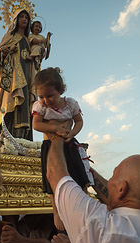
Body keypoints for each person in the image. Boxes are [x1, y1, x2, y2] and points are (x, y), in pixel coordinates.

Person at [32, 67, 90, 231]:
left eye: (50, 95)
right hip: (50, 146)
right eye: (41, 96)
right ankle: (56, 211)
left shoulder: (70, 104)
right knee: (52, 178)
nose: (45, 100)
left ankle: (85, 201)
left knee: (79, 173)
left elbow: (79, 122)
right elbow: (36, 124)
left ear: (61, 91)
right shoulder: (40, 107)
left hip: (69, 143)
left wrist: (71, 133)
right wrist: (55, 128)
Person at [0, 9, 36, 140]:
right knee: (12, 104)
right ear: (15, 20)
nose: (24, 19)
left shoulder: (29, 40)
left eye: (26, 17)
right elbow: (0, 53)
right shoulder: (10, 37)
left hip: (27, 77)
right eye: (21, 17)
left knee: (25, 107)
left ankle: (22, 139)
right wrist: (5, 51)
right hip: (13, 78)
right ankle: (7, 138)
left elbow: (37, 56)